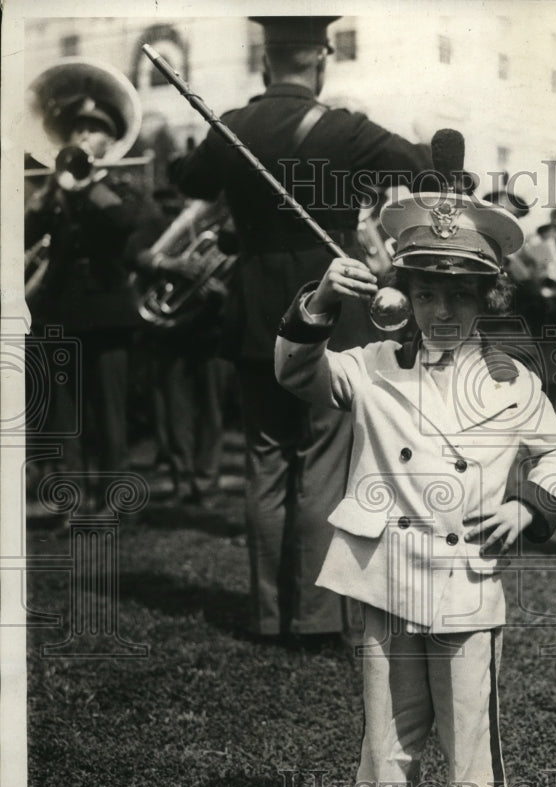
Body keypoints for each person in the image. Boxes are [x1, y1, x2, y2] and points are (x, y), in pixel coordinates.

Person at [275, 141, 556, 787]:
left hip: (465, 584)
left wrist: (525, 510)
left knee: (467, 739)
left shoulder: (513, 383)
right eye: (426, 293)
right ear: (402, 294)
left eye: (459, 295)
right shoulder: (370, 365)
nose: (441, 310)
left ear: (485, 299)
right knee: (388, 734)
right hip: (383, 575)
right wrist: (316, 297)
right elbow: (293, 373)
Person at [170, 15, 432, 644]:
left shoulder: (230, 125)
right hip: (330, 301)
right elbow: (423, 166)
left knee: (264, 458)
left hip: (256, 303)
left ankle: (266, 614)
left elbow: (188, 181)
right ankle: (314, 618)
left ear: (266, 62)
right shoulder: (346, 127)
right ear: (321, 61)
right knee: (321, 458)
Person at [25, 95, 141, 513]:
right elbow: (28, 231)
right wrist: (50, 192)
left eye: (93, 131)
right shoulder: (54, 191)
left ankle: (114, 501)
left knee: (110, 414)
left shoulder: (120, 187)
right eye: (77, 130)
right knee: (65, 415)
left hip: (107, 313)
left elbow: (124, 224)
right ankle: (71, 501)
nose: (82, 137)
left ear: (110, 141)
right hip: (61, 313)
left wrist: (89, 185)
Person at [133, 193, 234, 505]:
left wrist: (221, 293)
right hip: (174, 334)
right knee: (178, 411)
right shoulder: (163, 223)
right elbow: (135, 256)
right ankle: (182, 479)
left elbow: (244, 282)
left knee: (211, 412)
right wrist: (171, 264)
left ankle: (206, 483)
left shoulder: (237, 231)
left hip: (213, 332)